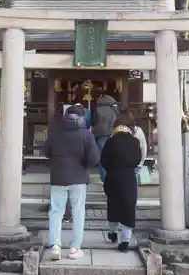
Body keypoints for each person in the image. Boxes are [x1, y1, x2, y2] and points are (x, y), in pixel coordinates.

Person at [43, 104, 100, 260]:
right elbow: (95, 158)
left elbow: (46, 151)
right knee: (78, 212)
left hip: (58, 177)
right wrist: (84, 165)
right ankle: (75, 248)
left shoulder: (55, 132)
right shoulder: (86, 134)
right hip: (79, 177)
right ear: (82, 118)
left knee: (56, 211)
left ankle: (55, 245)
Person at [101, 110, 142, 252]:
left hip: (113, 177)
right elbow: (137, 159)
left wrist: (112, 168)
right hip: (129, 178)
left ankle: (112, 233)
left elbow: (103, 161)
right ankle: (125, 240)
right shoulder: (135, 141)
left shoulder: (110, 141)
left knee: (113, 206)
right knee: (128, 208)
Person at [93, 94, 120, 182]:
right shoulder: (114, 106)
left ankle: (104, 178)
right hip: (113, 133)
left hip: (100, 134)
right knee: (113, 156)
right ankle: (113, 178)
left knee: (102, 157)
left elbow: (94, 120)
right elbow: (118, 118)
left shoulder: (97, 107)